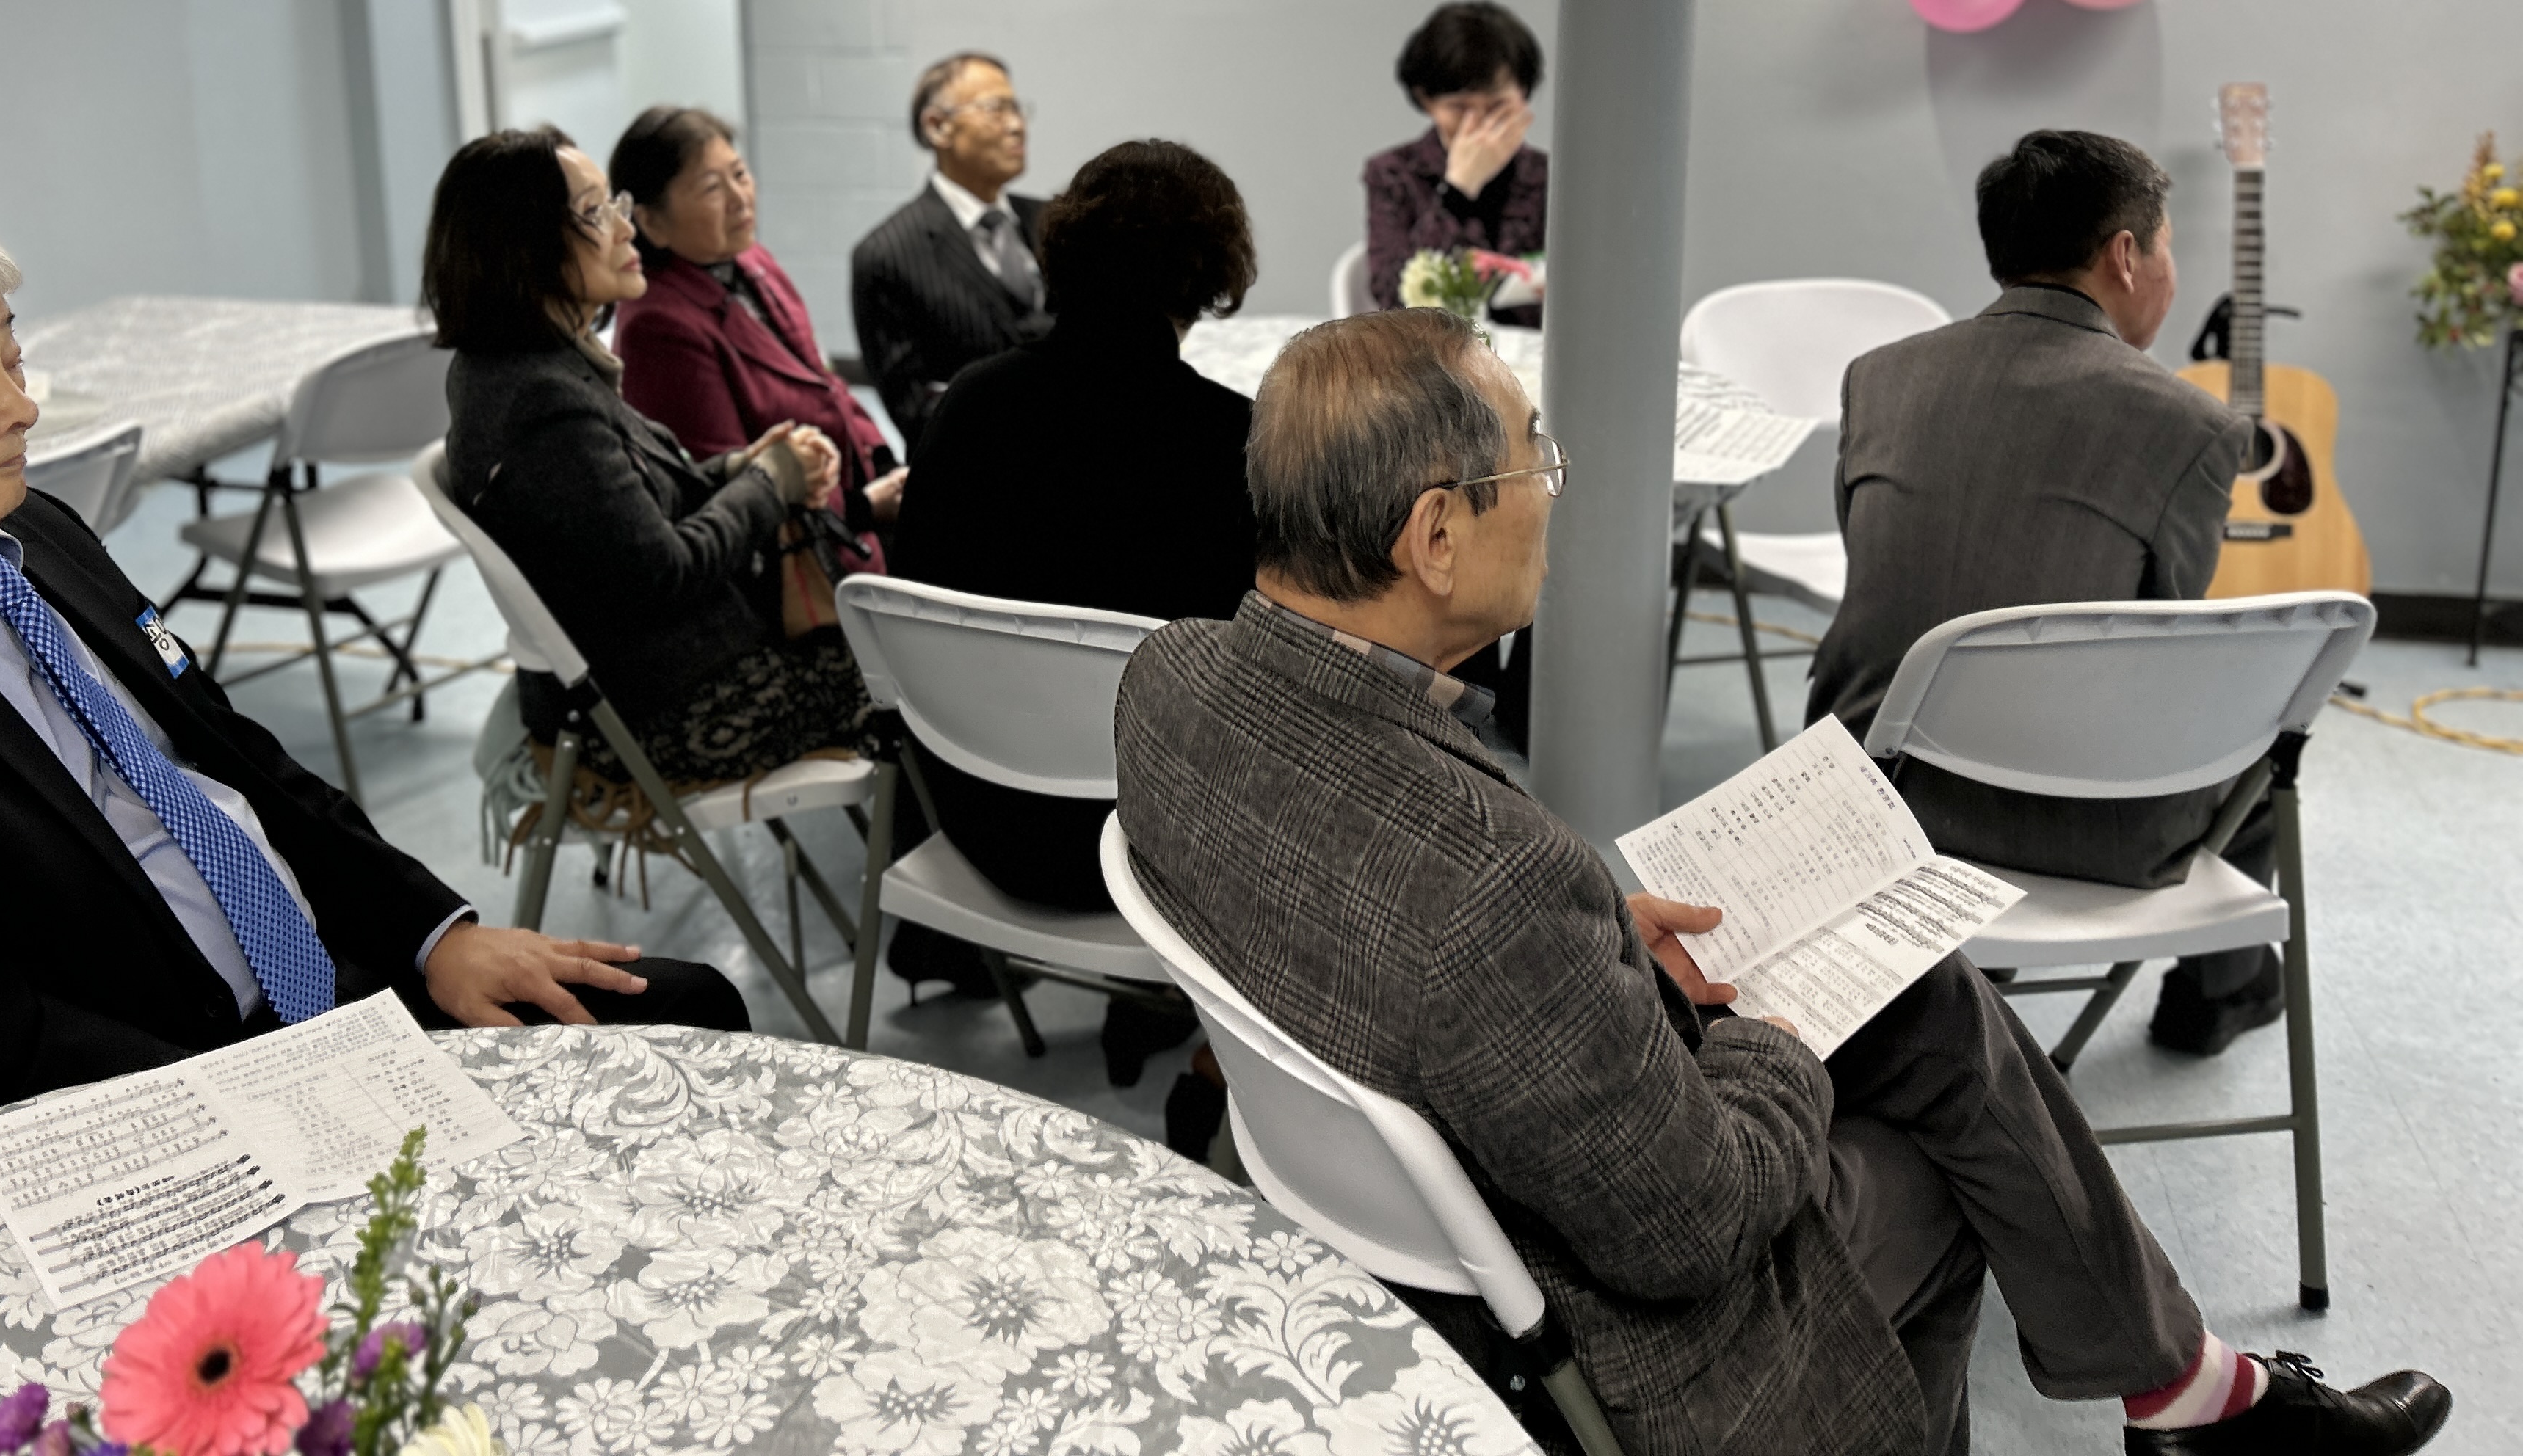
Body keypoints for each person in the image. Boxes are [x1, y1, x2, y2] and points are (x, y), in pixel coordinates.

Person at [1114, 309, 2444, 1456]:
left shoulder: (1169, 678)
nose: (1555, 486)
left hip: (1420, 1184)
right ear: (1436, 534)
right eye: (1535, 453)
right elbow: (1695, 1229)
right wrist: (1775, 1033)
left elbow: (1389, 926)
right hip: (1597, 1336)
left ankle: (2187, 1390)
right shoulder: (1491, 888)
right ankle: (2179, 1396)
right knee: (1950, 1172)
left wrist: (1600, 942)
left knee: (1931, 999)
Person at [0, 192, 746, 1146]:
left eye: (14, 362)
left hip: (328, 996)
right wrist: (306, 1094)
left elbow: (239, 763)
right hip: (186, 1111)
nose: (21, 406)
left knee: (691, 1021)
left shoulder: (31, 535)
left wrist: (431, 936)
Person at [1811, 130, 2270, 1056]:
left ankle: (1965, 973)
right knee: (2269, 752)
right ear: (2126, 255)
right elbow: (2168, 641)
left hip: (1869, 787)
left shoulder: (1880, 378)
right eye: (2168, 244)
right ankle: (2216, 1000)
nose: (2170, 269)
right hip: (2082, 824)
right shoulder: (2192, 426)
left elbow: (1883, 571)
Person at [891, 139, 1257, 1077]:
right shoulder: (1229, 443)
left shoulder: (968, 409)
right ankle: (1181, 1010)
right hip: (1156, 850)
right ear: (1210, 273)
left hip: (979, 818)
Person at [434, 128, 880, 790]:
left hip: (664, 674)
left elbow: (627, 509)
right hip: (669, 711)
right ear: (524, 244)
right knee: (925, 682)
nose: (626, 228)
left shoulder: (530, 365)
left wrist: (736, 471)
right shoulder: (542, 403)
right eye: (596, 213)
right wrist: (768, 481)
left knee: (917, 653)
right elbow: (664, 572)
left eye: (614, 204)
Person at [608, 105, 904, 567]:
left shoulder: (752, 261)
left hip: (853, 508)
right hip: (793, 558)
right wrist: (861, 508)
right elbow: (725, 484)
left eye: (740, 175)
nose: (739, 198)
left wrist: (884, 463)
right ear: (651, 223)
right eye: (712, 188)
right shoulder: (657, 326)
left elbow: (824, 380)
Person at [849, 53, 1051, 440]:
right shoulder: (887, 255)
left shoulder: (1051, 221)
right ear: (938, 127)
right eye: (996, 109)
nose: (1017, 126)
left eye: (1017, 109)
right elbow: (917, 413)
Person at [1364, 0, 1550, 328]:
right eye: (1459, 108)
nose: (1478, 124)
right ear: (1426, 100)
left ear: (1523, 94)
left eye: (1496, 106)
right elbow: (1395, 299)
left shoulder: (1552, 177)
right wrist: (1459, 190)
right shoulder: (1393, 173)